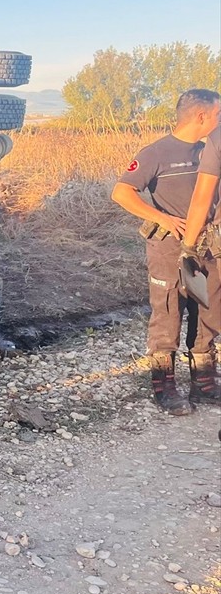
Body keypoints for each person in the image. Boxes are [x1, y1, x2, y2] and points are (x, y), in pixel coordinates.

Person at [111, 88, 221, 415]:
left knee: (207, 311)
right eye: (218, 114)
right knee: (169, 314)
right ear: (201, 116)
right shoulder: (157, 153)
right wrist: (161, 218)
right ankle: (164, 386)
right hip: (169, 249)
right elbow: (122, 192)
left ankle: (204, 383)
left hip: (207, 247)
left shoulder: (210, 150)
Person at [178, 121, 221, 406]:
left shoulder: (217, 137)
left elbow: (203, 196)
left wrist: (188, 246)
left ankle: (203, 380)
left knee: (210, 304)